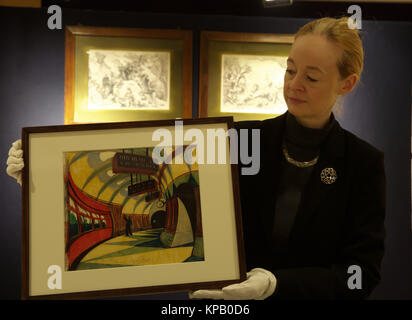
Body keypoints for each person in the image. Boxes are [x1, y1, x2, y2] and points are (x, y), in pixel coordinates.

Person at [7, 17, 385, 300]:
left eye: (311, 77)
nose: (293, 84)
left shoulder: (363, 163)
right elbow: (168, 199)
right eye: (289, 70)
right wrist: (43, 181)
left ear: (346, 83)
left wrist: (275, 283)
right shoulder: (238, 139)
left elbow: (361, 273)